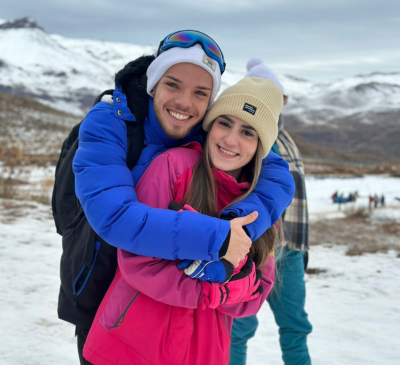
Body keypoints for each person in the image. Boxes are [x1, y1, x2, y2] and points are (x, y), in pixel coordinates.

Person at [65, 31, 295, 364]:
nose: (185, 103)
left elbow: (275, 173)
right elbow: (117, 220)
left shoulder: (215, 145)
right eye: (173, 84)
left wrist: (239, 228)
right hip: (106, 297)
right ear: (153, 84)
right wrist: (219, 241)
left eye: (201, 93)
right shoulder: (116, 130)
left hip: (199, 346)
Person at [229, 58, 312, 365]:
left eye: (280, 98)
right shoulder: (248, 137)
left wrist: (302, 251)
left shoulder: (286, 139)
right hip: (256, 250)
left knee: (295, 326)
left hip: (290, 251)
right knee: (238, 326)